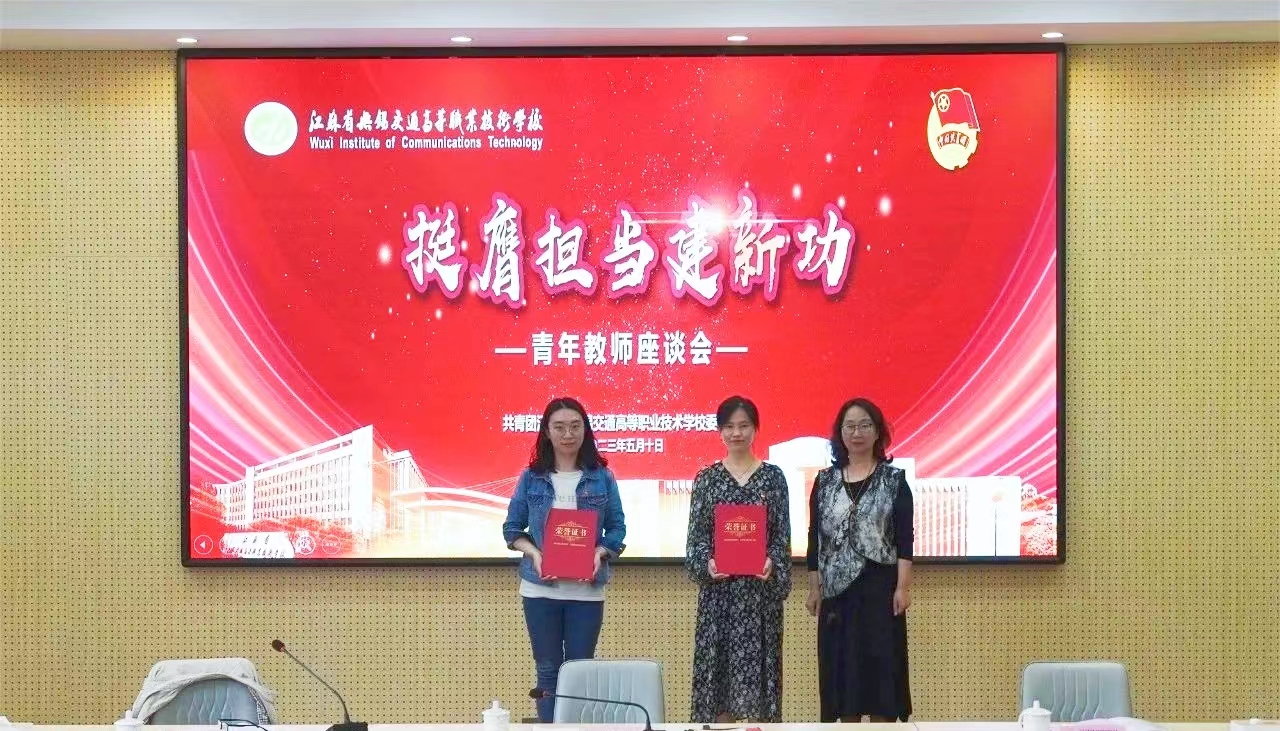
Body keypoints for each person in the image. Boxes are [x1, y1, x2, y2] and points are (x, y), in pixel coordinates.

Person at [502, 397, 627, 722]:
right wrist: (535, 553)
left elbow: (617, 528)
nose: (568, 434)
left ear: (585, 429)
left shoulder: (602, 477)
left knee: (579, 672)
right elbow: (512, 529)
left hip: (586, 593)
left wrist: (600, 552)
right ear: (547, 431)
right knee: (547, 672)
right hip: (539, 591)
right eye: (559, 427)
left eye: (574, 426)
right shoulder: (531, 477)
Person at [805, 397, 914, 722]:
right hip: (837, 595)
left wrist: (903, 587)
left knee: (881, 674)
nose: (857, 433)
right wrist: (814, 588)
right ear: (840, 433)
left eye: (865, 425)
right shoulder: (824, 482)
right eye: (850, 426)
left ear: (877, 432)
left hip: (880, 591)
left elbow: (904, 540)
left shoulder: (894, 481)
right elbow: (815, 538)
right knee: (843, 678)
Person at [685, 395, 791, 723]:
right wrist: (707, 563)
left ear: (755, 429)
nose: (736, 433)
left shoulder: (773, 478)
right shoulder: (707, 479)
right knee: (718, 691)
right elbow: (696, 540)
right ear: (720, 431)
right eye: (729, 426)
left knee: (760, 692)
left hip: (760, 600)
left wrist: (773, 561)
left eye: (744, 426)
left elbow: (782, 537)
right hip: (719, 599)